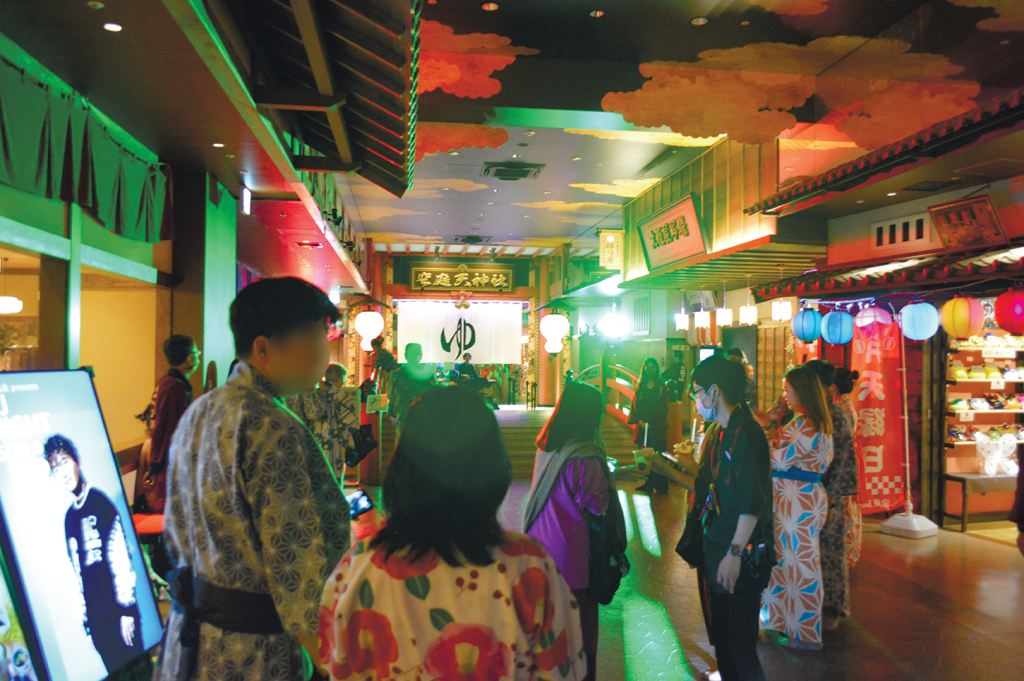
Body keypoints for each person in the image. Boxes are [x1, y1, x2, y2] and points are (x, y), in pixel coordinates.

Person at [153, 277, 352, 681]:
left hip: (190, 643)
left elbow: (174, 533)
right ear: (264, 348)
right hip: (255, 654)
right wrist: (335, 666)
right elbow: (297, 572)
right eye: (315, 335)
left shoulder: (201, 410)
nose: (324, 350)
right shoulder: (273, 427)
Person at [319, 386, 586, 681]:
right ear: (492, 469)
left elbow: (334, 662)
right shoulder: (529, 567)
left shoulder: (358, 568)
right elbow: (563, 670)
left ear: (403, 467)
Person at [688, 355, 773, 681]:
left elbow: (751, 502)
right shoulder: (719, 432)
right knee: (723, 642)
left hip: (741, 554)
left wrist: (734, 554)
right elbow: (709, 487)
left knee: (740, 646)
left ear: (715, 390)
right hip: (718, 547)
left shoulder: (747, 434)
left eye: (698, 391)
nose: (697, 399)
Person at [523, 382, 612, 681]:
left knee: (548, 634)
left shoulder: (547, 445)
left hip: (540, 546)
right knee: (578, 637)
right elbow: (599, 506)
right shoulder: (584, 456)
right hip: (571, 557)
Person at [44, 435, 141, 673]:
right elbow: (76, 574)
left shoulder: (100, 502)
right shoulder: (69, 518)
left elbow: (120, 557)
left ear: (76, 460)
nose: (63, 473)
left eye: (64, 462)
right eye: (56, 468)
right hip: (97, 624)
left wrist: (127, 610)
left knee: (137, 673)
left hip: (119, 615)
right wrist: (86, 625)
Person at [761, 364, 834, 651]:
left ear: (801, 391)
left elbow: (780, 459)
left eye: (787, 389)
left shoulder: (807, 424)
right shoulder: (809, 422)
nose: (784, 394)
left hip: (798, 501)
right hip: (799, 499)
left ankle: (804, 633)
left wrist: (760, 442)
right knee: (789, 562)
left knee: (800, 565)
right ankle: (786, 624)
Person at [805, 361, 857, 632]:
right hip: (807, 496)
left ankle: (831, 609)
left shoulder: (836, 417)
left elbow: (842, 463)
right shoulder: (809, 414)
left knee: (829, 554)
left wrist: (832, 500)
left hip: (827, 497)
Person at [142, 334, 200, 513]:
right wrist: (155, 467)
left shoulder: (168, 382)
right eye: (196, 352)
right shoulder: (175, 387)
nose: (199, 354)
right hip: (171, 465)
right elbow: (166, 430)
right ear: (189, 358)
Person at [287, 364, 359, 481]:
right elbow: (350, 422)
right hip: (334, 443)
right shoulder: (340, 396)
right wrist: (350, 443)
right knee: (333, 476)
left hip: (315, 441)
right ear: (339, 379)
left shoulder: (314, 393)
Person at [831, 367, 863, 568]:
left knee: (845, 508)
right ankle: (849, 553)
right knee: (849, 508)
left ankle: (846, 554)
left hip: (843, 461)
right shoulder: (845, 405)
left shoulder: (840, 409)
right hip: (848, 459)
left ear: (833, 387)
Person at [630, 357, 671, 494]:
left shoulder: (662, 387)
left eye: (654, 367)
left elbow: (663, 407)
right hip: (643, 425)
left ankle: (661, 486)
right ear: (644, 368)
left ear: (657, 369)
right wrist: (641, 421)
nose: (651, 369)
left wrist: (652, 422)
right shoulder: (640, 386)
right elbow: (636, 404)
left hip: (657, 426)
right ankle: (648, 483)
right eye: (648, 367)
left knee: (658, 455)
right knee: (645, 455)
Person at [387, 342, 438, 431]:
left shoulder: (395, 376)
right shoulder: (428, 375)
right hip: (421, 421)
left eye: (416, 354)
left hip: (409, 420)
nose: (415, 357)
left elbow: (391, 398)